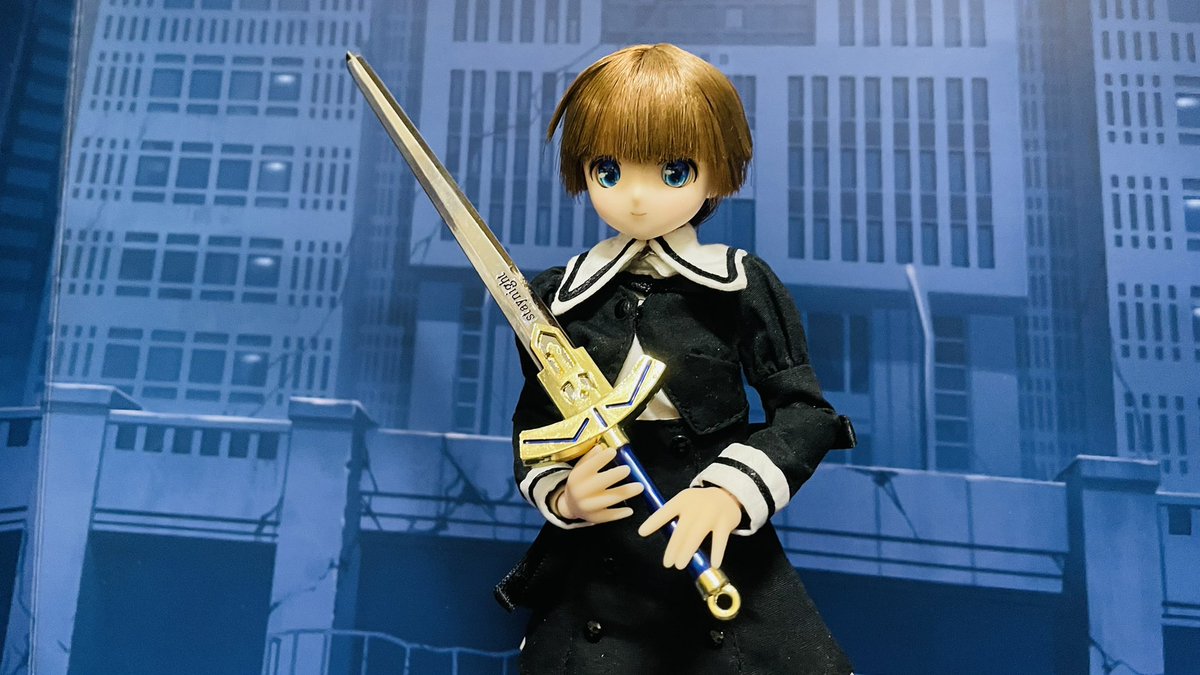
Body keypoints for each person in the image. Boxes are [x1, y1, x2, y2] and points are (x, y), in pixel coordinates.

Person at [495, 43, 857, 674]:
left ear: (717, 172)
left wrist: (729, 493)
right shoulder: (558, 296)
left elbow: (804, 413)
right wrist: (566, 496)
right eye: (609, 170)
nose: (637, 197)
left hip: (707, 518)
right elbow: (536, 426)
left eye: (672, 171)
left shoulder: (738, 284)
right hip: (605, 529)